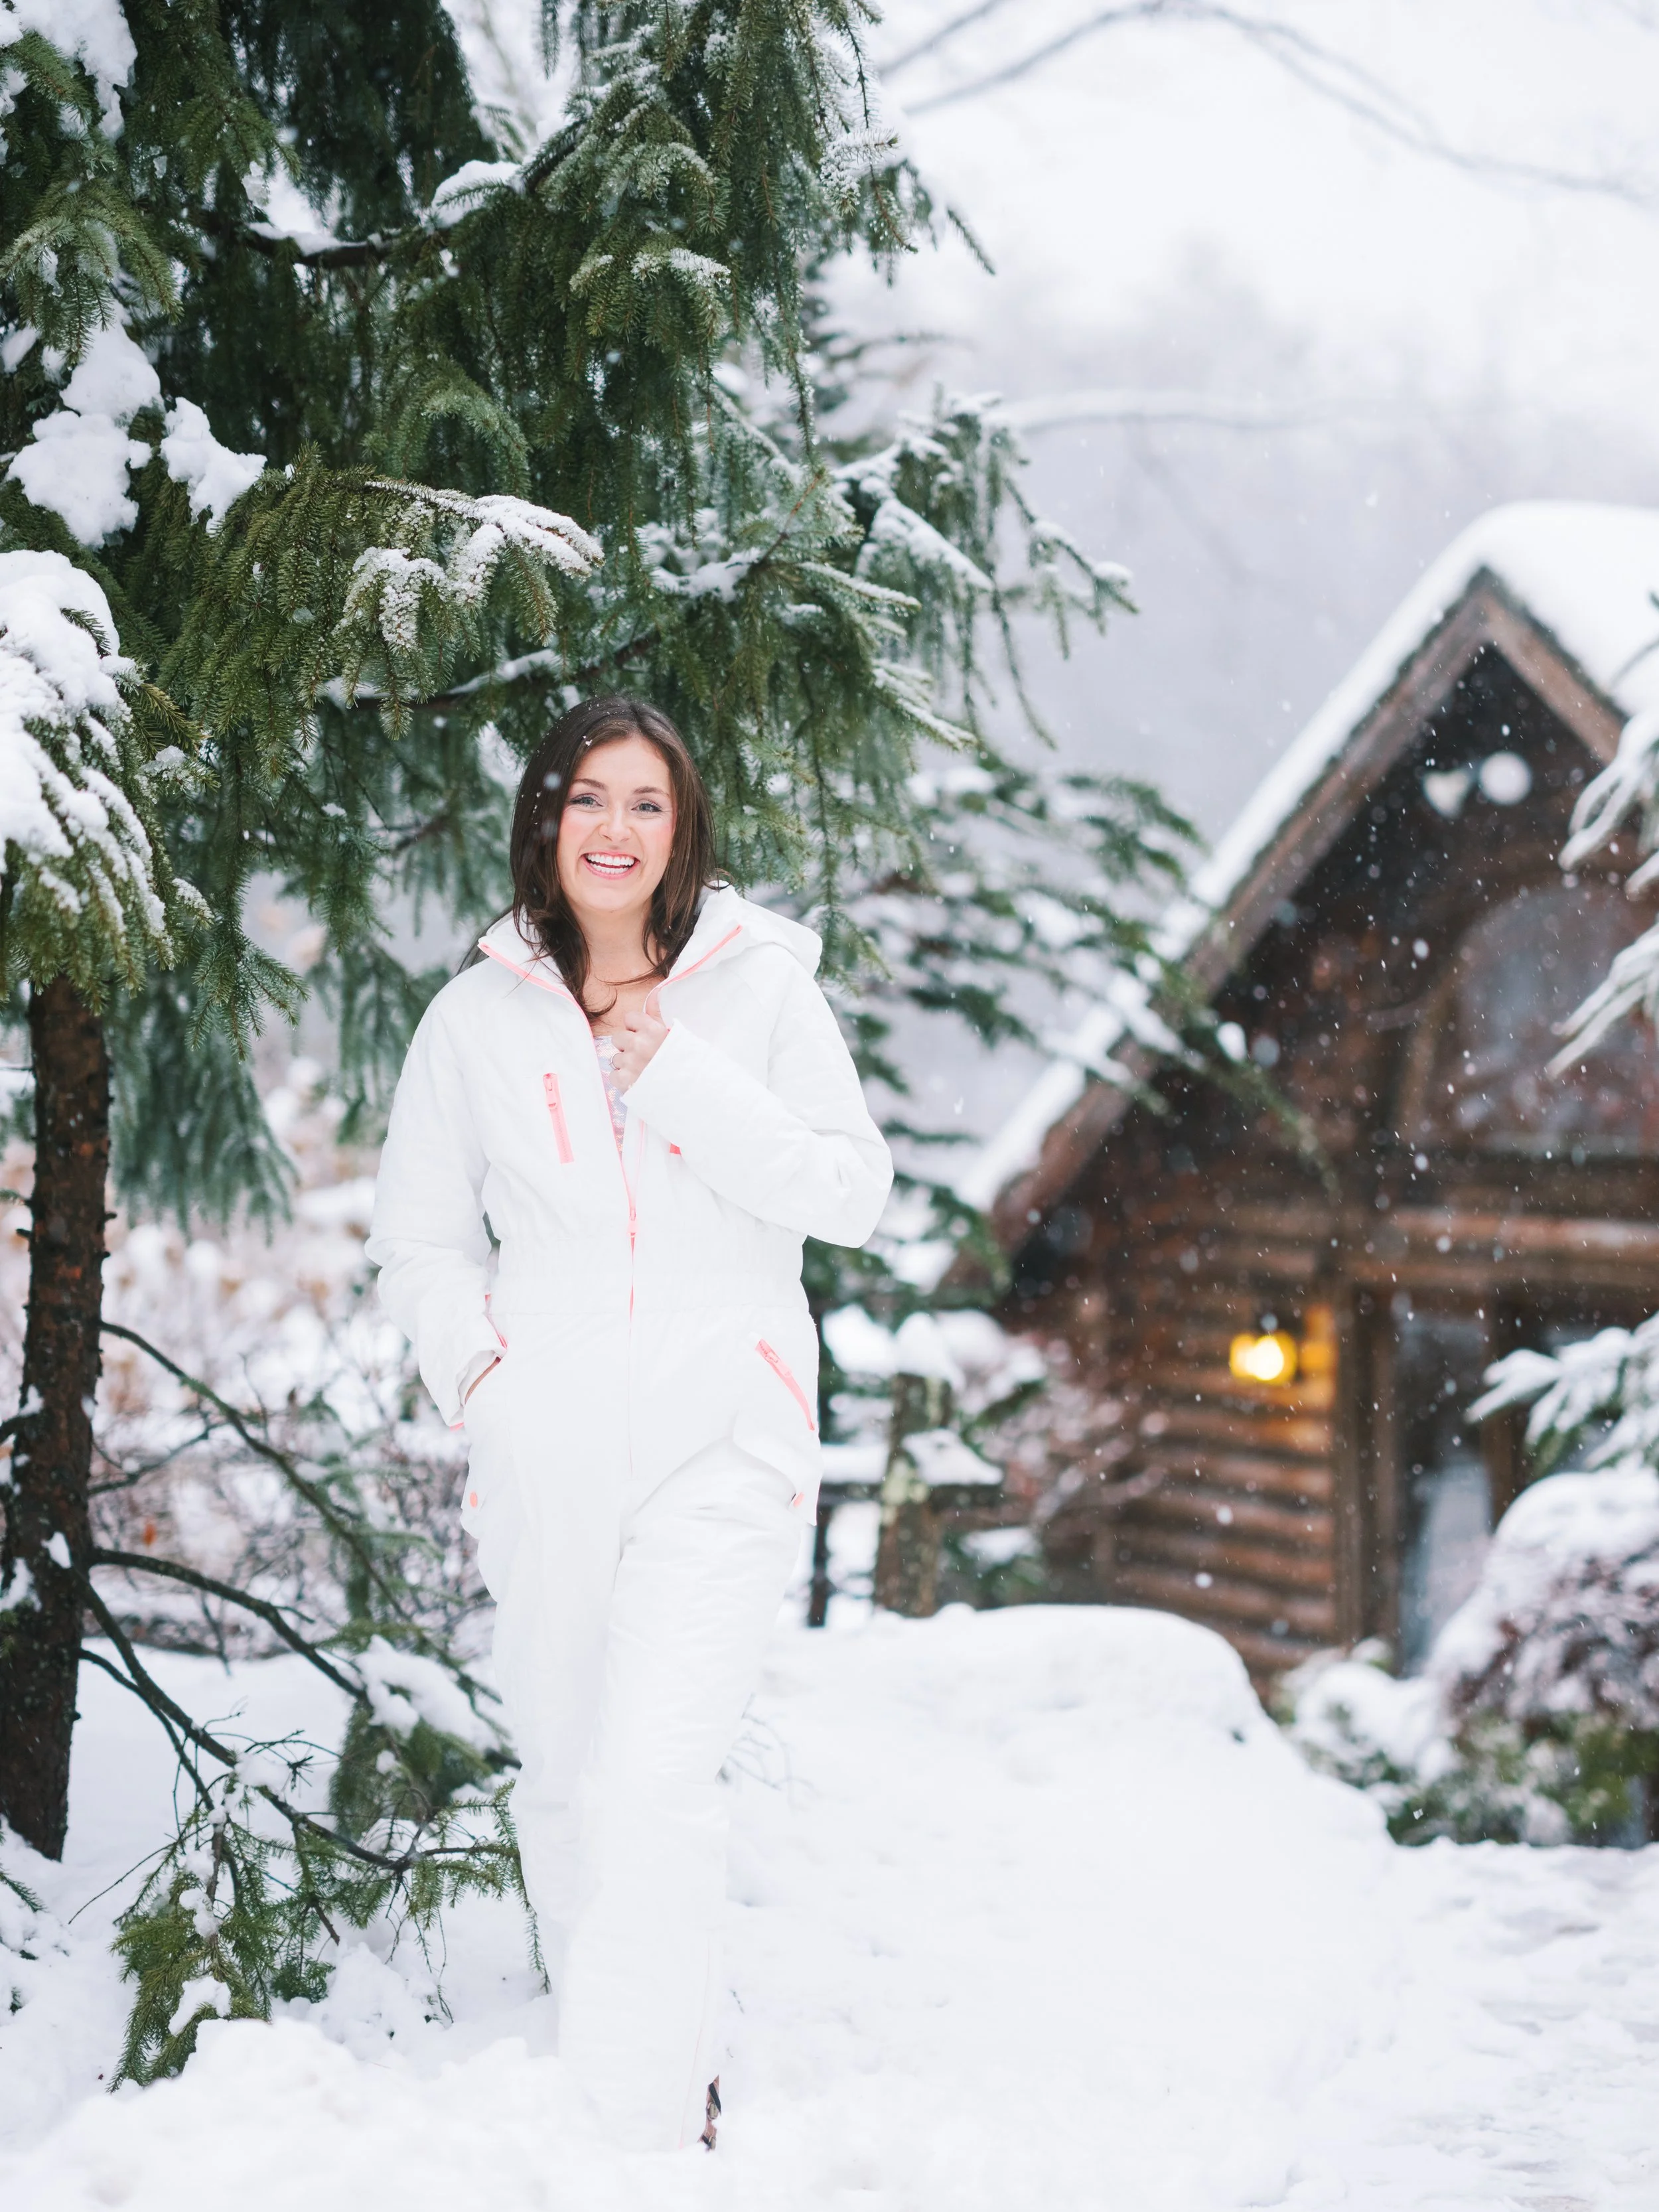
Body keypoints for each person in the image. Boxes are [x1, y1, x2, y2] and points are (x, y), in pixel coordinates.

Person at [366, 696, 893, 2151]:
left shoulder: (764, 990)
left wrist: (675, 1073)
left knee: (658, 1770)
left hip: (725, 1426)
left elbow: (851, 1192)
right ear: (546, 819)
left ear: (684, 828)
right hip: (543, 1436)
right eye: (587, 798)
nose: (613, 828)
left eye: (645, 803)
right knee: (565, 1768)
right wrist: (483, 1376)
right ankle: (643, 2036)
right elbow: (416, 1239)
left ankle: (634, 2122)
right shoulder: (474, 1016)